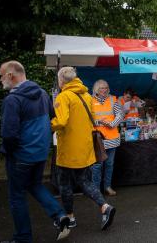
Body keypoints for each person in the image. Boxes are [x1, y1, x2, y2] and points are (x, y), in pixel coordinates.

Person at [0, 61, 70, 242]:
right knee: (35, 185)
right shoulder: (43, 94)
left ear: (10, 75)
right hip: (40, 154)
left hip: (21, 156)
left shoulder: (12, 100)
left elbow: (9, 135)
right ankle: (60, 215)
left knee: (16, 197)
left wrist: (10, 152)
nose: (0, 80)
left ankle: (23, 238)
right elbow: (52, 118)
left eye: (1, 75)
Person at [51, 67, 116, 230]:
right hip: (85, 147)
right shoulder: (87, 95)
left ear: (62, 80)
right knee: (85, 181)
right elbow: (94, 119)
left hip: (68, 150)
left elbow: (61, 121)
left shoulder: (63, 96)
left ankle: (71, 218)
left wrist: (48, 123)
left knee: (64, 184)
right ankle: (105, 207)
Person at [91, 80, 123, 196]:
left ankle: (107, 187)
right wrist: (99, 122)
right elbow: (87, 119)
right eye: (101, 88)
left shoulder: (113, 99)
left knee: (109, 164)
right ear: (96, 90)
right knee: (97, 165)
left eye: (106, 88)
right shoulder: (90, 100)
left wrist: (112, 124)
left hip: (112, 138)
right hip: (98, 139)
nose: (104, 90)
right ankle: (95, 189)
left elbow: (120, 114)